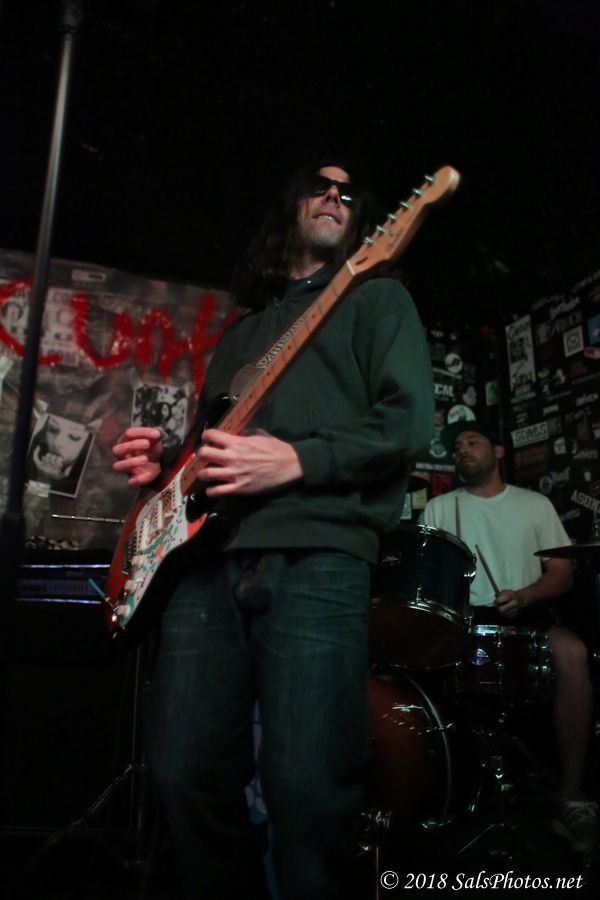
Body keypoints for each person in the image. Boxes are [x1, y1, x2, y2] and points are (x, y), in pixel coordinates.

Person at [112, 160, 434, 899]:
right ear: (291, 205)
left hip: (318, 550)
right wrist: (164, 470)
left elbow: (407, 423)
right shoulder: (241, 332)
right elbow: (210, 448)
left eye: (348, 193)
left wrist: (296, 459)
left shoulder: (378, 296)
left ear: (365, 222)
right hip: (204, 564)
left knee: (309, 789)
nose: (333, 196)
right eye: (319, 185)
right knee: (183, 774)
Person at [423, 421, 598, 852]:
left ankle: (572, 795)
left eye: (473, 441)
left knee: (573, 653)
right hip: (467, 619)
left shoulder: (534, 504)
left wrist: (524, 596)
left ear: (499, 451)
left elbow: (561, 574)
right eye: (457, 446)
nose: (462, 450)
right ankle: (439, 797)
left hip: (528, 612)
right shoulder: (441, 508)